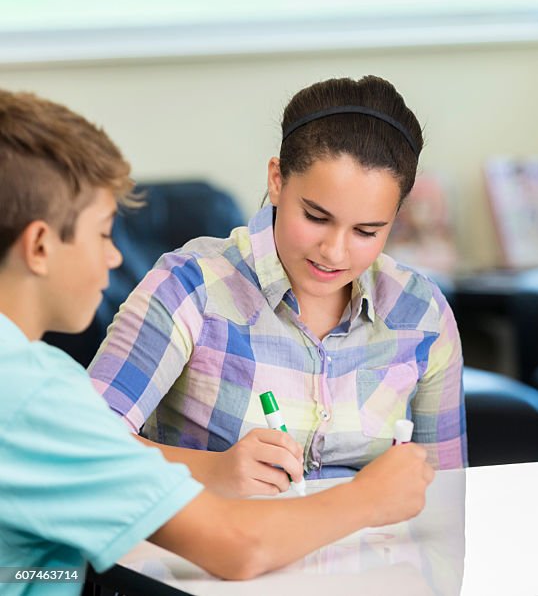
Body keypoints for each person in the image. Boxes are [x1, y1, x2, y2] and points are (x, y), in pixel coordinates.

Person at [0, 89, 434, 592]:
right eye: (103, 234)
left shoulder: (28, 382)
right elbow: (237, 547)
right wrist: (369, 498)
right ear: (38, 245)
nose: (116, 258)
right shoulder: (34, 396)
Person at [88, 76, 466, 497]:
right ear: (277, 180)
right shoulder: (190, 288)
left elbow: (444, 494)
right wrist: (210, 471)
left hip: (376, 556)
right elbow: (84, 446)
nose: (335, 252)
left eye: (366, 231)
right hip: (220, 555)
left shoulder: (421, 311)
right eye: (316, 217)